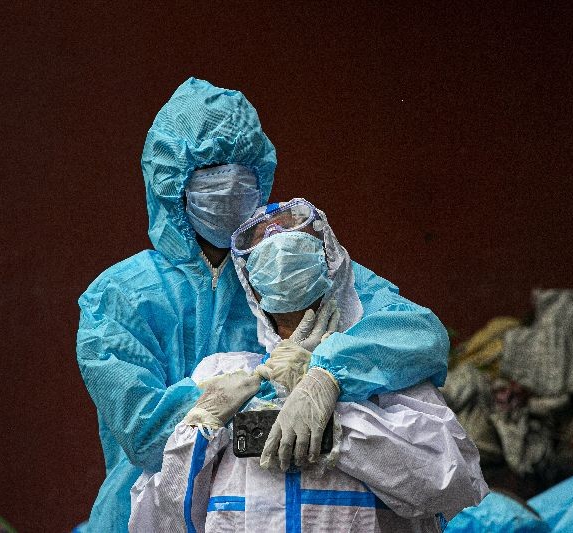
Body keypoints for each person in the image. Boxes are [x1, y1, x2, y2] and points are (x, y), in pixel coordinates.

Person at [76, 77, 449, 531]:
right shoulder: (118, 295)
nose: (231, 186)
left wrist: (329, 373)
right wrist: (266, 390)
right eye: (212, 172)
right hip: (155, 516)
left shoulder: (287, 264)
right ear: (170, 183)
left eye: (243, 172)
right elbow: (147, 434)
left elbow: (419, 334)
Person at [128, 200, 488, 531]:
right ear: (253, 295)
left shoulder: (383, 376)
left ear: (333, 270)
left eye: (292, 232)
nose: (277, 237)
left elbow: (453, 485)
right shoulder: (222, 374)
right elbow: (156, 522)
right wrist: (197, 431)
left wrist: (336, 428)